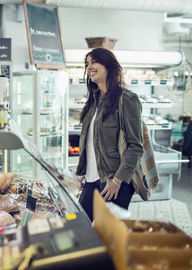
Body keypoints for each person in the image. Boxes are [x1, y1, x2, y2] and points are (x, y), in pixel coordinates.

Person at [76, 48, 144, 221]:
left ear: (108, 65)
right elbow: (90, 142)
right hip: (91, 179)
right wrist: (81, 172)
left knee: (108, 234)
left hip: (114, 181)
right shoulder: (93, 99)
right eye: (87, 64)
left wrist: (117, 181)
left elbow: (135, 146)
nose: (89, 67)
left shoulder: (126, 99)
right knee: (82, 225)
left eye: (94, 62)